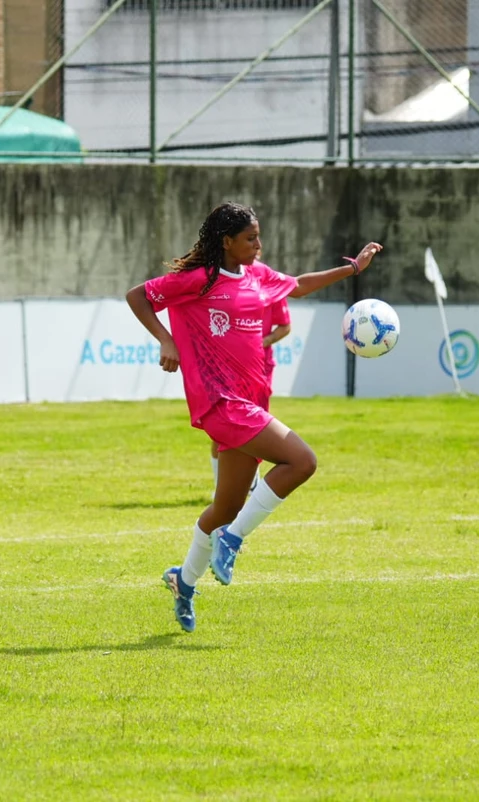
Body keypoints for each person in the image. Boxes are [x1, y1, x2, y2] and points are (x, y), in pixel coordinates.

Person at [125, 202, 381, 633]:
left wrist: (352, 269)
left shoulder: (257, 275)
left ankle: (182, 582)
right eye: (250, 238)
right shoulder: (196, 281)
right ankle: (233, 540)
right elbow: (139, 296)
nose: (258, 245)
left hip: (249, 403)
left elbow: (297, 284)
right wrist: (166, 340)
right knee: (302, 462)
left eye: (259, 237)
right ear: (226, 242)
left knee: (224, 507)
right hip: (220, 402)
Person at [209, 295, 290, 493]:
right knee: (223, 429)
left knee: (255, 424)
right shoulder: (226, 286)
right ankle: (222, 487)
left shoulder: (269, 285)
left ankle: (251, 479)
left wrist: (263, 341)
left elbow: (285, 326)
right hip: (229, 367)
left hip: (260, 369)